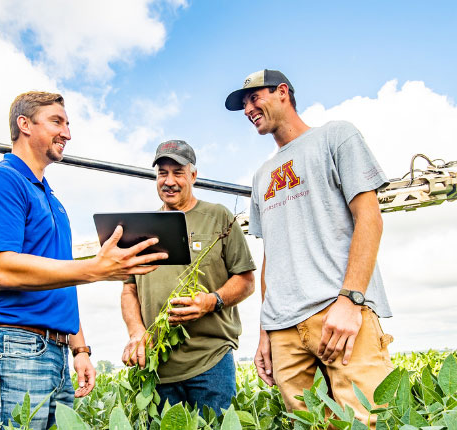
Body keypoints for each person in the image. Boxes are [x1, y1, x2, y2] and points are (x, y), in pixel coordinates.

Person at [0, 91, 168, 430]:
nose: (67, 133)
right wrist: (95, 269)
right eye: (57, 122)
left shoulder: (52, 200)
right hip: (8, 347)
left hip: (53, 351)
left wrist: (79, 349)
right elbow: (1, 270)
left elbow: (60, 281)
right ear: (24, 124)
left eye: (68, 124)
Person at [224, 70, 395, 422]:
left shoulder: (336, 136)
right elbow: (272, 255)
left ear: (282, 92)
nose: (248, 109)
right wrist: (265, 331)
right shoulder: (261, 175)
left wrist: (351, 300)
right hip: (284, 330)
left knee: (365, 422)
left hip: (339, 312)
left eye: (254, 98)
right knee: (309, 426)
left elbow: (369, 217)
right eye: (244, 105)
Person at [120, 139, 256, 414]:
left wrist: (211, 301)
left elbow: (246, 280)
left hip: (210, 361)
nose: (169, 181)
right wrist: (136, 332)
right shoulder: (140, 228)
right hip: (158, 366)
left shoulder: (218, 217)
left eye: (178, 173)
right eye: (162, 173)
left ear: (193, 176)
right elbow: (129, 290)